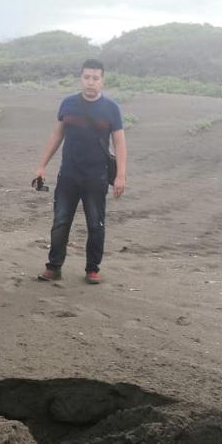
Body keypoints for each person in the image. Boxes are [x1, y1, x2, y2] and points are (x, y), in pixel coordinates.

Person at [33, 59, 127, 285]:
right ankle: (54, 267)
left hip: (97, 177)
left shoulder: (111, 108)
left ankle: (92, 269)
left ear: (102, 80)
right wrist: (41, 165)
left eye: (95, 78)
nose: (90, 82)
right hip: (69, 175)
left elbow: (120, 143)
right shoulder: (68, 104)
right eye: (86, 77)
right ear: (80, 78)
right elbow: (56, 136)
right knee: (60, 222)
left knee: (96, 224)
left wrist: (120, 175)